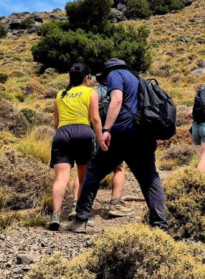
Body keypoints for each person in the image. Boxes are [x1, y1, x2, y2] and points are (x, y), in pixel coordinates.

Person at [65, 58, 167, 232]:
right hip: (143, 134)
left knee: (94, 171)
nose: (105, 82)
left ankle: (80, 220)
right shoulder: (137, 79)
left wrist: (106, 129)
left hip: (122, 132)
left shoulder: (115, 74)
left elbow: (117, 101)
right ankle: (160, 224)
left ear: (106, 73)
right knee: (149, 177)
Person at [49, 63, 99, 230]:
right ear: (86, 78)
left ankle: (55, 215)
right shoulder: (91, 92)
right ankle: (80, 213)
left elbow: (56, 123)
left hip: (62, 134)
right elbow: (96, 118)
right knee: (83, 176)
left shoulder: (60, 94)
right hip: (83, 132)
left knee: (61, 178)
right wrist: (100, 138)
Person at [93, 81, 132, 217]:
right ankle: (115, 204)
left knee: (89, 169)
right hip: (114, 134)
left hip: (96, 135)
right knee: (119, 168)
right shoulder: (119, 93)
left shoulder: (95, 93)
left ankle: (81, 205)